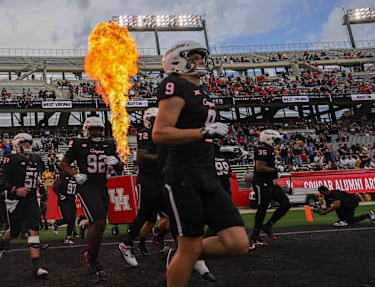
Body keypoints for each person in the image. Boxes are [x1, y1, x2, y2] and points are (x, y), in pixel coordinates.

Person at [152, 41, 248, 287]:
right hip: (183, 174)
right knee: (190, 247)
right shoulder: (176, 85)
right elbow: (160, 133)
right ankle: (185, 256)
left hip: (207, 173)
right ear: (178, 60)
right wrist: (203, 132)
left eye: (201, 57)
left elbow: (199, 132)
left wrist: (218, 148)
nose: (201, 61)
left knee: (237, 243)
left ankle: (183, 256)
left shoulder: (202, 90)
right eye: (194, 57)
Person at [59, 116, 123, 281]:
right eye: (93, 129)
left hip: (102, 185)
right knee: (100, 222)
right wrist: (75, 174)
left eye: (99, 129)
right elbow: (64, 163)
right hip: (86, 185)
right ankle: (93, 257)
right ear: (86, 131)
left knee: (99, 224)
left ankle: (91, 252)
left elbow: (120, 167)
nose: (97, 132)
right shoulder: (79, 144)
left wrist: (116, 162)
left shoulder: (108, 144)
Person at [0, 132, 49, 279]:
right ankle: (1, 244)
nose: (27, 145)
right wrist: (15, 189)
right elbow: (0, 182)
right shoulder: (10, 158)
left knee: (33, 229)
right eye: (24, 143)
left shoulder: (36, 158)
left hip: (31, 198)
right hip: (15, 199)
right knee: (15, 231)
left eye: (29, 143)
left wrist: (41, 186)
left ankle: (36, 267)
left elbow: (36, 176)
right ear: (17, 145)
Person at [120, 107, 166, 265]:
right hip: (148, 180)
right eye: (154, 119)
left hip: (162, 179)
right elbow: (141, 157)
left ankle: (159, 238)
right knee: (145, 215)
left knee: (172, 214)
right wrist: (162, 158)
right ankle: (128, 244)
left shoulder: (165, 132)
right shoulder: (145, 133)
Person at [250, 129, 291, 248]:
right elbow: (260, 168)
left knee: (285, 203)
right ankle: (255, 234)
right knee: (262, 208)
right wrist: (276, 170)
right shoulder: (262, 149)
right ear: (269, 138)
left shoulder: (269, 150)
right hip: (261, 182)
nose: (277, 143)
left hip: (270, 182)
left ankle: (268, 225)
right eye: (275, 140)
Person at [52, 159, 77, 245]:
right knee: (67, 218)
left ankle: (68, 237)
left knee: (73, 218)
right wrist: (60, 195)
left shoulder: (76, 176)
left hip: (72, 199)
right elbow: (54, 187)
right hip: (64, 200)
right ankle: (56, 223)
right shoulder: (63, 175)